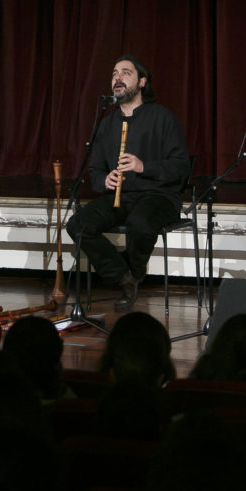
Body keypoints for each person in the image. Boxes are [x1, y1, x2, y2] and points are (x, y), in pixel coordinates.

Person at [66, 54, 191, 310]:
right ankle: (125, 277)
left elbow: (180, 166)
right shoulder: (106, 123)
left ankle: (131, 273)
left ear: (142, 81)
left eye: (125, 72)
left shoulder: (162, 117)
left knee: (141, 224)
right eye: (114, 73)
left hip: (158, 196)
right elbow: (96, 169)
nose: (117, 78)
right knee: (78, 224)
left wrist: (143, 166)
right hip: (120, 197)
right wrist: (105, 180)